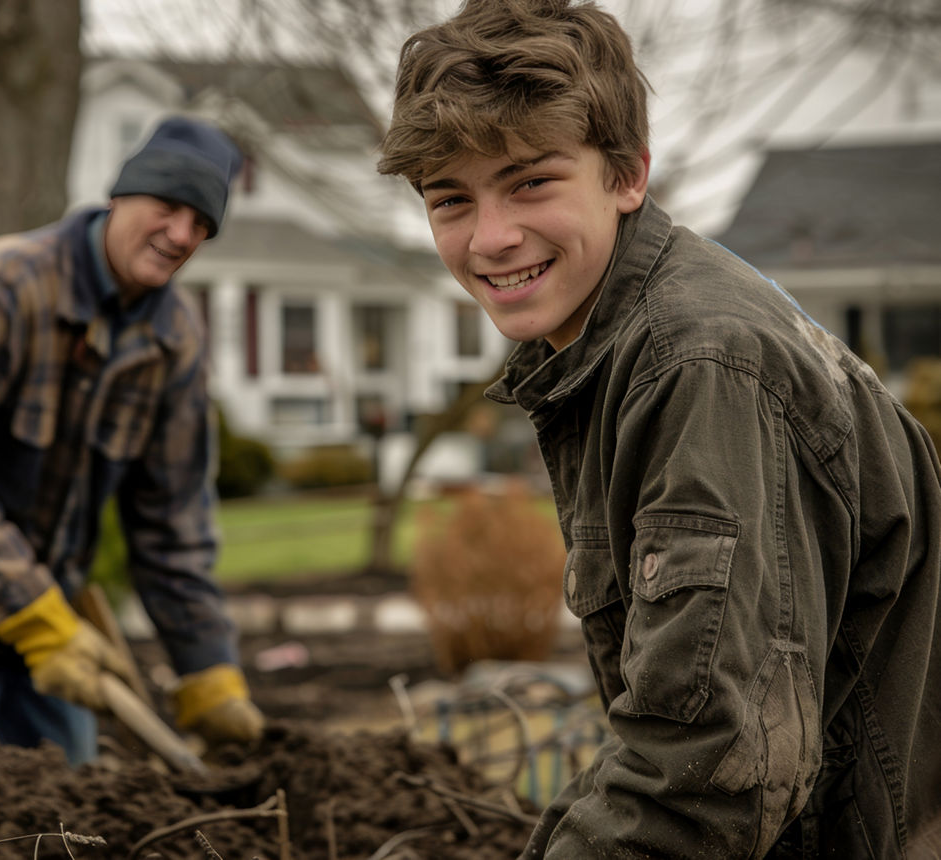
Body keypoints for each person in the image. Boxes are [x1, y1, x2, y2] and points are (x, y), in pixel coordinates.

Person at [378, 1, 941, 856]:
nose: (490, 238)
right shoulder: (621, 345)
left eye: (531, 181)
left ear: (627, 176)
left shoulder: (698, 365)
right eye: (450, 199)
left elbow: (712, 769)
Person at [0, 115, 264, 788]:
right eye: (168, 207)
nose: (182, 235)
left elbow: (173, 521)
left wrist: (207, 667)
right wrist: (32, 615)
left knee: (73, 797)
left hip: (49, 603)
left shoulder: (175, 339)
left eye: (202, 223)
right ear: (121, 194)